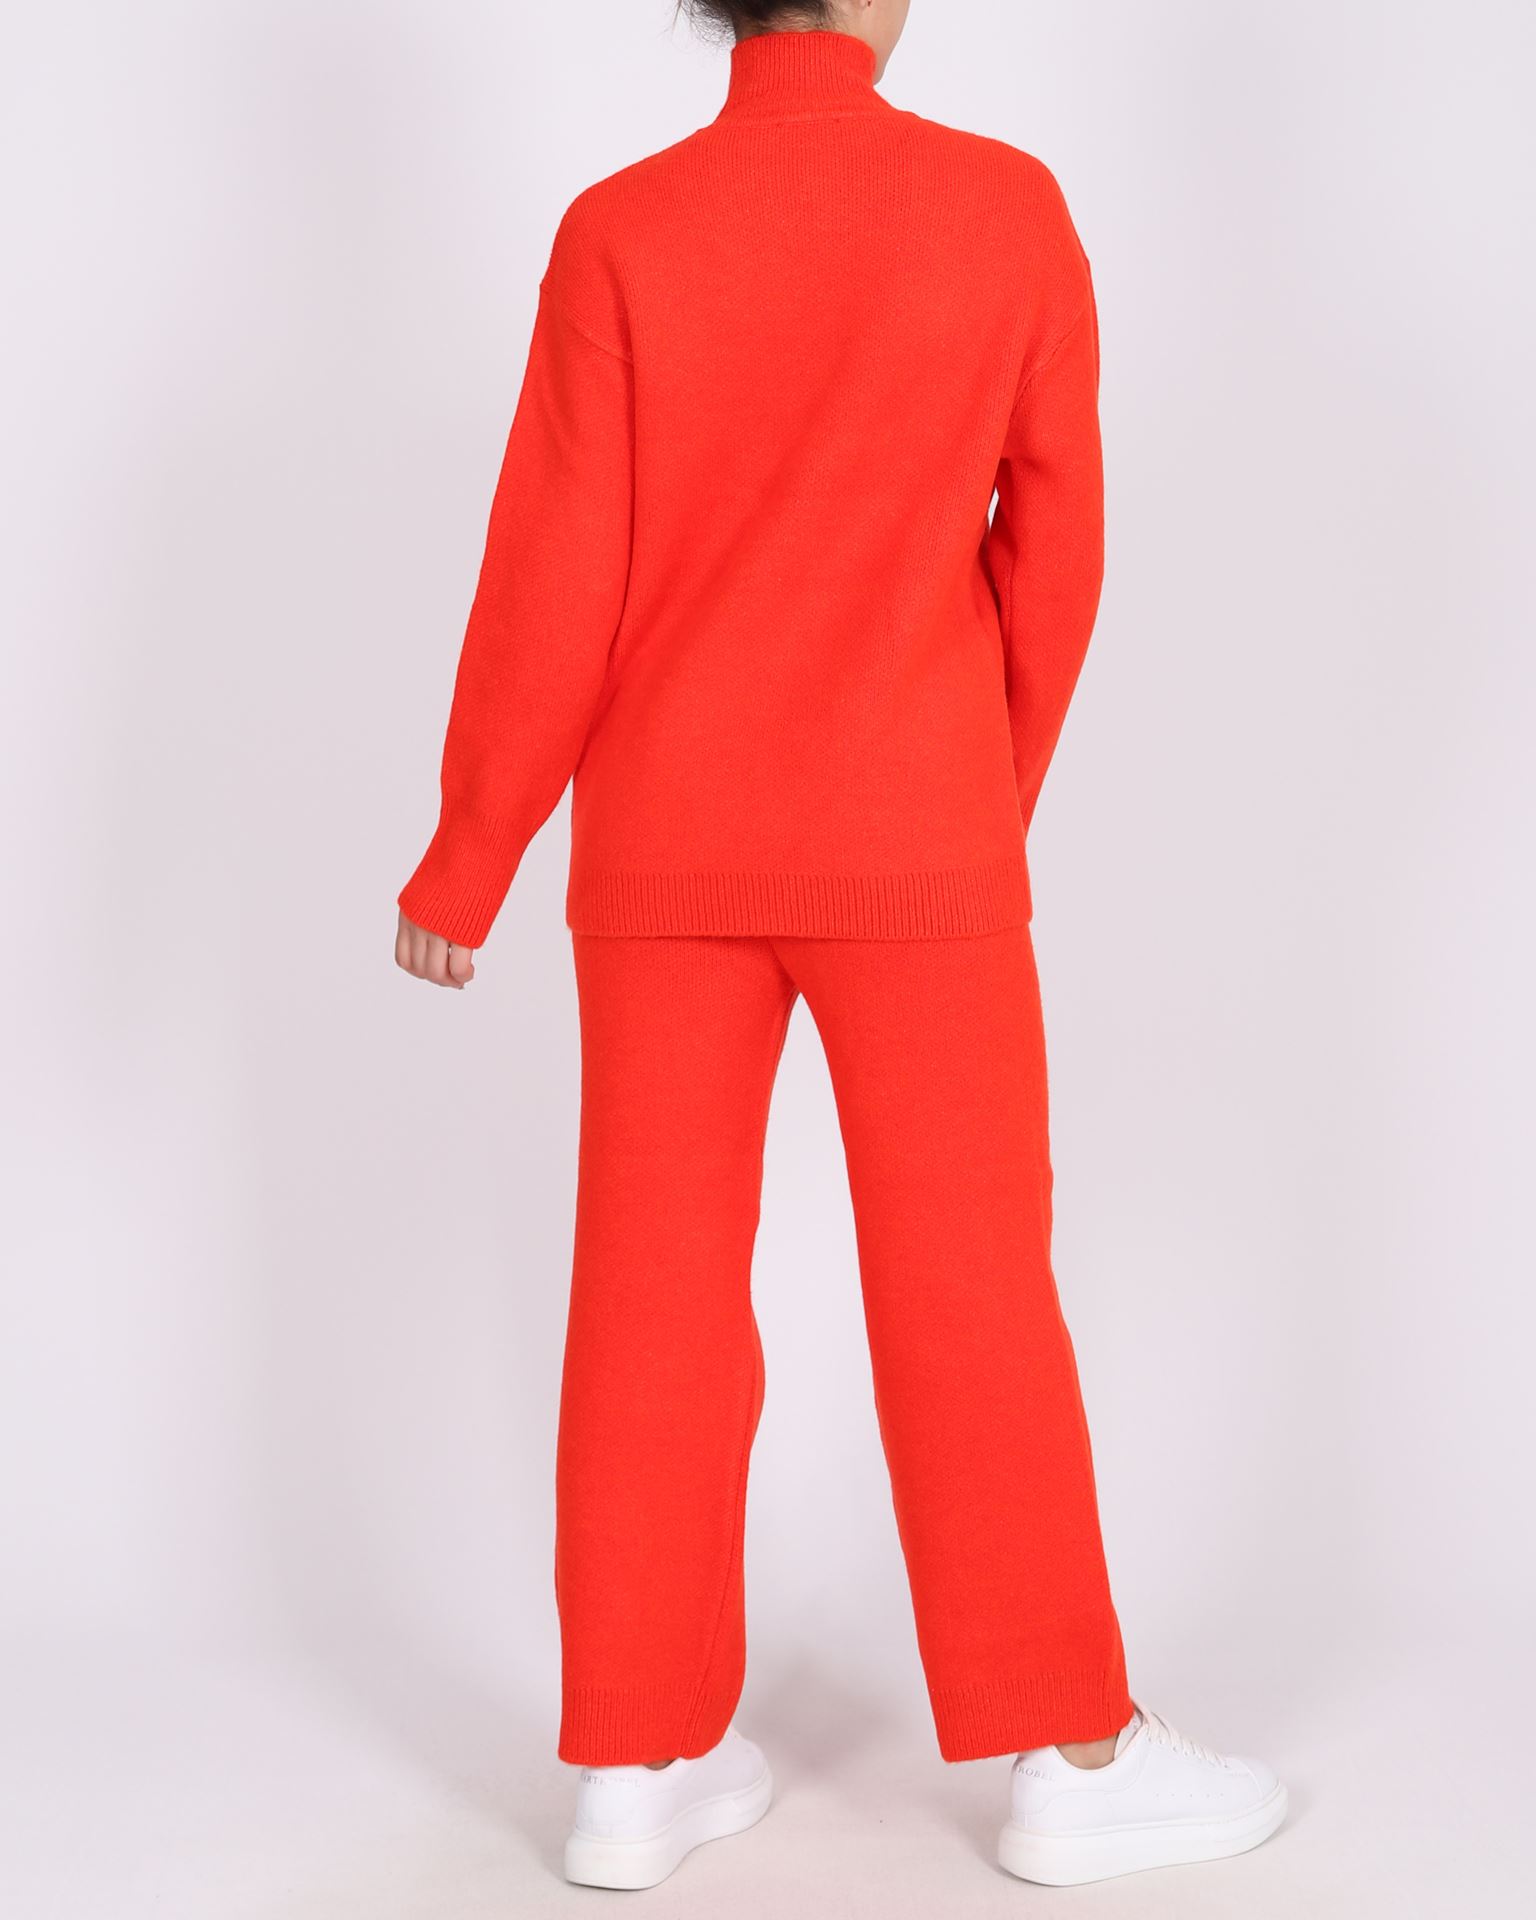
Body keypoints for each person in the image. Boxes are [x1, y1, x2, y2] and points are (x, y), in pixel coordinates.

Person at [395, 0, 1286, 1891]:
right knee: (972, 1289)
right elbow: (1058, 552)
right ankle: (1074, 1756)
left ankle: (634, 1763)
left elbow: (554, 563)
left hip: (664, 850)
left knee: (648, 1293)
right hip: (914, 841)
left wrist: (471, 855)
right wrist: (970, 790)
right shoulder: (1004, 210)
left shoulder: (621, 231)